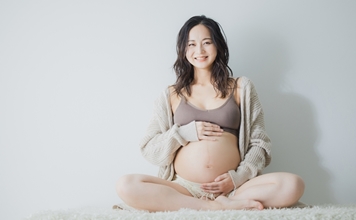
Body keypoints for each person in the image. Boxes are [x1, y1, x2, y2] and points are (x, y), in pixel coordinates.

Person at [116, 15, 305, 211]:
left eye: (207, 42)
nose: (199, 51)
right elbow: (149, 148)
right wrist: (183, 133)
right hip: (184, 188)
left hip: (234, 188)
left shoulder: (241, 87)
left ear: (218, 45)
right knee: (126, 185)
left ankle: (222, 202)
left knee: (293, 184)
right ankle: (211, 207)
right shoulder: (171, 94)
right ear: (183, 50)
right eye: (191, 44)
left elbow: (260, 143)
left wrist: (237, 178)